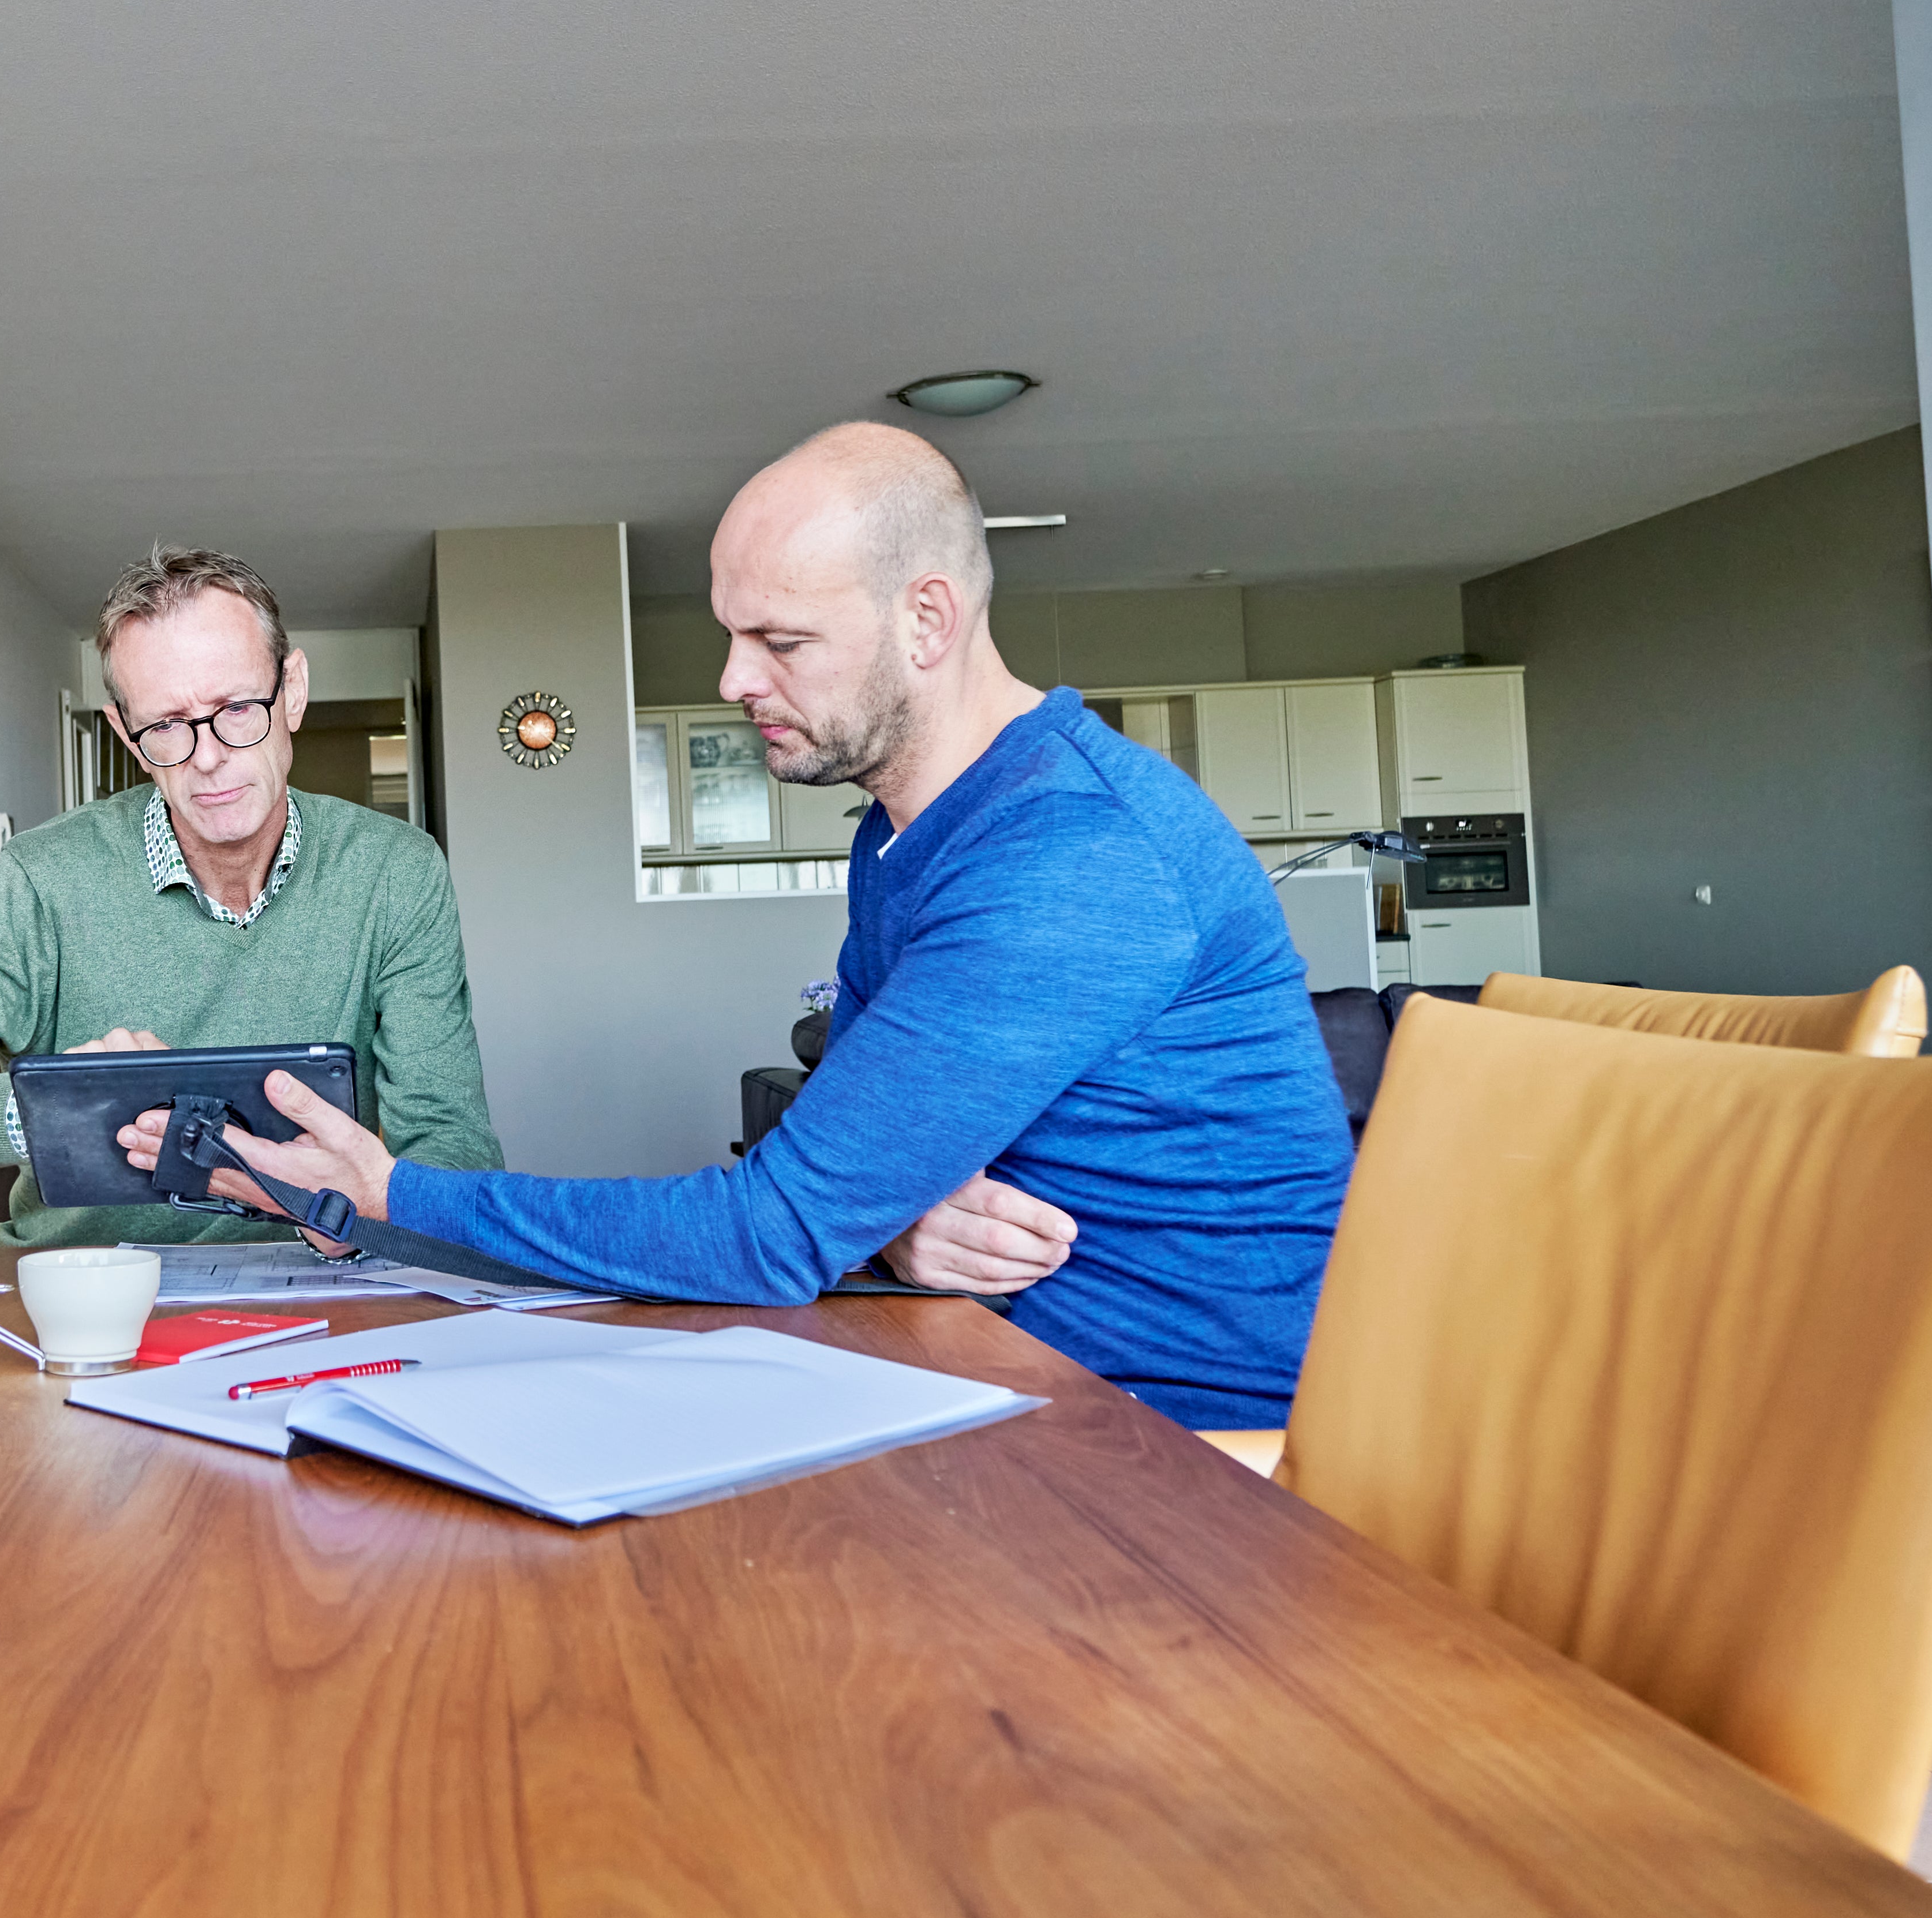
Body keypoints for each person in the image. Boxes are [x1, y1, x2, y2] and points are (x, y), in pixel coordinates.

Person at [156, 423, 1353, 1428]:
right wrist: (881, 1223)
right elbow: (843, 1165)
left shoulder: (1069, 856)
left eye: (780, 641)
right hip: (992, 1368)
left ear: (926, 619)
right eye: (734, 631)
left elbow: (774, 1229)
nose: (734, 677)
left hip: (1179, 1439)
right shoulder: (905, 830)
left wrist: (391, 1191)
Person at [0, 544, 503, 1246]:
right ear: (128, 738)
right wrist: (46, 1108)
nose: (208, 755)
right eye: (167, 725)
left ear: (292, 691)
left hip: (324, 1291)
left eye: (236, 708)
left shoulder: (396, 872)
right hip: (81, 1301)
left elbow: (456, 1150)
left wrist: (365, 1211)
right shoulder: (42, 881)